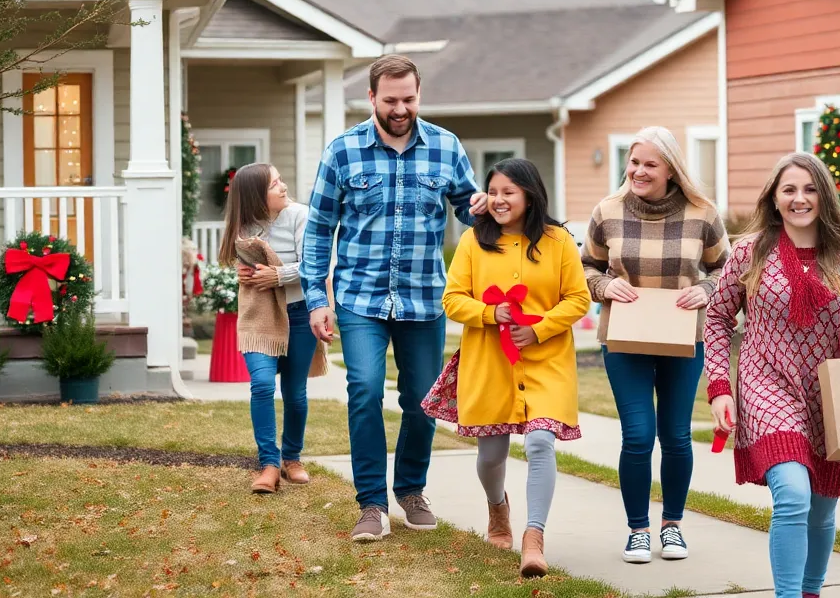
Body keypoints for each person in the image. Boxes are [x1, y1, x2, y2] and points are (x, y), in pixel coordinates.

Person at [300, 54, 488, 542]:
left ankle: (410, 491)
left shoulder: (446, 147)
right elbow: (319, 230)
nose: (400, 108)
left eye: (408, 99)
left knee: (421, 400)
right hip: (359, 298)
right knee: (363, 389)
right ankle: (370, 504)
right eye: (390, 100)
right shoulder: (343, 151)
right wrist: (316, 298)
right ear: (371, 98)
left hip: (423, 298)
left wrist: (487, 208)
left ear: (418, 95)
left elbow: (470, 211)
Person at [704, 152, 840, 598]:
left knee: (821, 509)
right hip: (767, 382)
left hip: (833, 393)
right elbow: (717, 320)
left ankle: (811, 591)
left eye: (809, 189)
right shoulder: (749, 253)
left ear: (825, 196)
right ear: (774, 199)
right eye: (789, 190)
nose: (799, 199)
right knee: (793, 494)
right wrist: (720, 387)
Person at [425, 158, 590, 578]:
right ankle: (498, 507)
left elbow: (578, 299)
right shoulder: (472, 241)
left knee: (539, 443)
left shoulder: (558, 241)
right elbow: (453, 298)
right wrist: (488, 312)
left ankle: (534, 538)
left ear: (529, 195)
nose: (498, 200)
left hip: (546, 359)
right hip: (490, 361)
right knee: (491, 453)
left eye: (508, 193)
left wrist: (539, 329)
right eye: (493, 192)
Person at [581, 126, 729, 564]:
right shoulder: (607, 210)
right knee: (639, 435)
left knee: (677, 436)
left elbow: (726, 270)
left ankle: (673, 526)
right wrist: (606, 285)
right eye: (634, 162)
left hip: (683, 338)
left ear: (670, 170)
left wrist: (707, 290)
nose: (638, 171)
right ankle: (638, 530)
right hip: (625, 340)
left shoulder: (702, 213)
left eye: (649, 164)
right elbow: (586, 267)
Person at [218, 163, 321, 494]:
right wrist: (244, 273)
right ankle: (269, 465)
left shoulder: (300, 216)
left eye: (280, 180)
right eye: (274, 184)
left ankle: (292, 458)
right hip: (260, 314)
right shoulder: (243, 226)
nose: (283, 187)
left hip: (301, 313)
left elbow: (316, 265)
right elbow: (242, 266)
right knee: (262, 385)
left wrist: (277, 276)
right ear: (255, 197)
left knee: (295, 393)